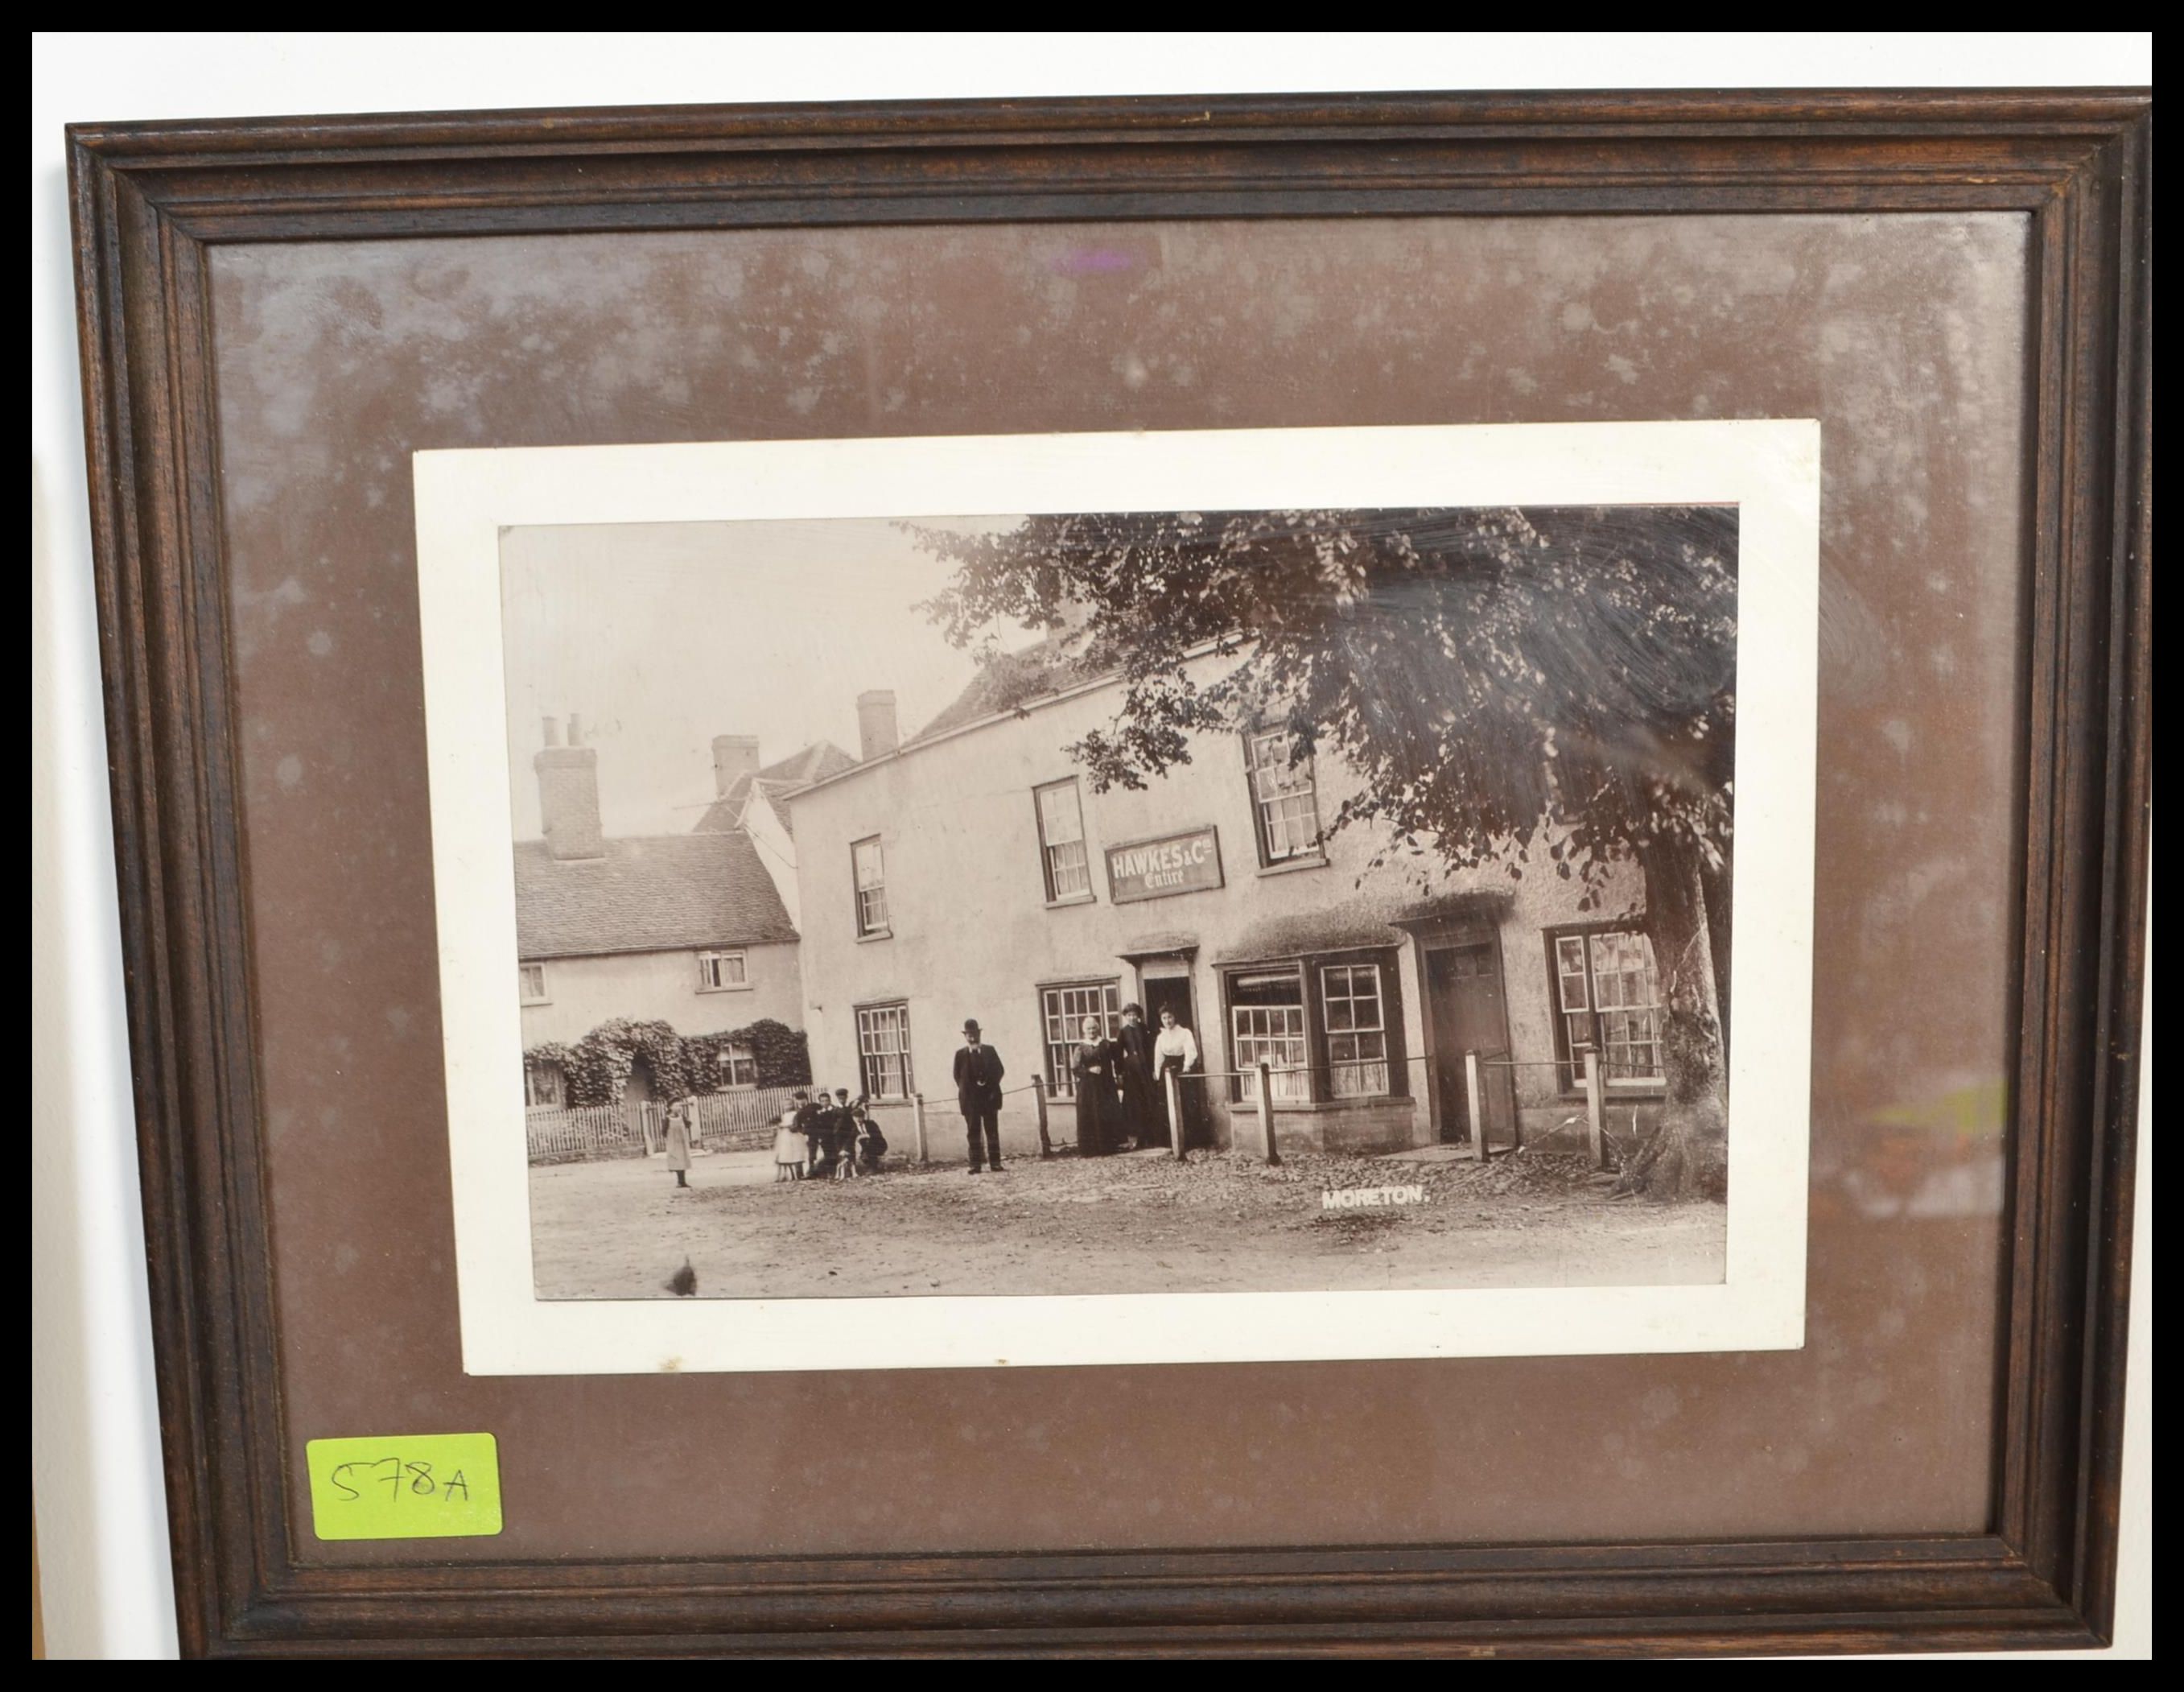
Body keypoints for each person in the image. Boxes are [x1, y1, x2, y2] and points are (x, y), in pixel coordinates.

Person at [953, 1019, 1006, 1174]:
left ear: (979, 1034)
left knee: (992, 1132)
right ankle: (975, 1165)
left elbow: (999, 1071)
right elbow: (957, 1077)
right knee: (973, 1133)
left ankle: (995, 1163)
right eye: (969, 1036)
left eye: (975, 1035)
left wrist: (990, 1086)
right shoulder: (960, 1055)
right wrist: (970, 1091)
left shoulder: (990, 1051)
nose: (973, 1039)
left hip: (989, 1098)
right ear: (965, 1037)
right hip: (971, 1101)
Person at [1152, 1005, 1205, 1155]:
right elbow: (1158, 1057)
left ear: (1175, 1017)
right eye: (1164, 1018)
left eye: (1170, 1017)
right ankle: (1169, 1141)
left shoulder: (1184, 1033)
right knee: (1166, 1104)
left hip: (1181, 1069)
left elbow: (1190, 1051)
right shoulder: (1161, 1037)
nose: (1167, 1021)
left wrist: (1186, 1067)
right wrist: (1158, 1073)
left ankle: (1189, 1140)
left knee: (1185, 1103)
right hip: (1166, 1070)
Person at [1071, 1015, 1124, 1157]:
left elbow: (1118, 1060)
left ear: (1098, 1028)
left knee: (1106, 1113)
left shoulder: (1106, 1044)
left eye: (1094, 1028)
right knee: (1089, 1113)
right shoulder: (1080, 1048)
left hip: (1105, 1085)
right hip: (1087, 1087)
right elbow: (1075, 1069)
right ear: (1084, 1030)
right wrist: (1089, 1070)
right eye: (1088, 1029)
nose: (1092, 1031)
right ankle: (1090, 1149)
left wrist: (1119, 1074)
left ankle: (1108, 1147)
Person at [1115, 1002, 1157, 1152]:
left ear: (1139, 1016)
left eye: (1134, 1015)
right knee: (1136, 1105)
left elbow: (1152, 1049)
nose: (1132, 1018)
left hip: (1146, 1070)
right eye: (1129, 1015)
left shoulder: (1145, 1029)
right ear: (1126, 1017)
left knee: (1149, 1101)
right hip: (1132, 1073)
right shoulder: (1123, 1032)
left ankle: (1151, 1137)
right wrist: (1120, 1073)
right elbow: (1118, 1055)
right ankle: (1138, 1139)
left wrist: (1154, 1069)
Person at [793, 1087, 827, 1178]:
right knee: (812, 1155)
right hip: (811, 1135)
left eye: (802, 1099)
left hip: (822, 1132)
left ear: (806, 1099)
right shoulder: (799, 1113)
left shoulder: (814, 1106)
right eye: (798, 1100)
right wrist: (804, 1133)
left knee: (826, 1151)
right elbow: (797, 1126)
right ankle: (812, 1173)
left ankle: (826, 1171)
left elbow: (824, 1115)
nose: (800, 1101)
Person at [662, 1096, 694, 1190]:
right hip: (673, 1142)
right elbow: (664, 1131)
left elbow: (689, 1125)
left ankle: (683, 1181)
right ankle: (680, 1181)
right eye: (676, 1106)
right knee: (677, 1160)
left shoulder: (682, 1117)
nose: (678, 1108)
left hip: (682, 1142)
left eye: (680, 1106)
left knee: (683, 1160)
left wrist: (686, 1119)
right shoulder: (667, 1119)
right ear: (670, 1107)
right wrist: (670, 1138)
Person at [771, 1099, 806, 1182]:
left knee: (796, 1153)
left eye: (790, 1104)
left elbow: (794, 1124)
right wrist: (778, 1126)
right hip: (785, 1136)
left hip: (793, 1135)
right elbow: (780, 1124)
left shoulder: (795, 1114)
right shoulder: (783, 1115)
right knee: (786, 1153)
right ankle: (787, 1175)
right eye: (786, 1105)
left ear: (793, 1105)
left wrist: (784, 1125)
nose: (788, 1107)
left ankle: (798, 1174)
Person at [852, 1099, 888, 1174]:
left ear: (863, 1117)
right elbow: (851, 1139)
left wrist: (867, 1135)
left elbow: (878, 1135)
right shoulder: (853, 1128)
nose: (858, 1119)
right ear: (853, 1118)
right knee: (865, 1150)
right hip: (863, 1148)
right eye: (856, 1117)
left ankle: (873, 1168)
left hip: (878, 1145)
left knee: (868, 1146)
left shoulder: (871, 1124)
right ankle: (871, 1166)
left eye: (860, 1117)